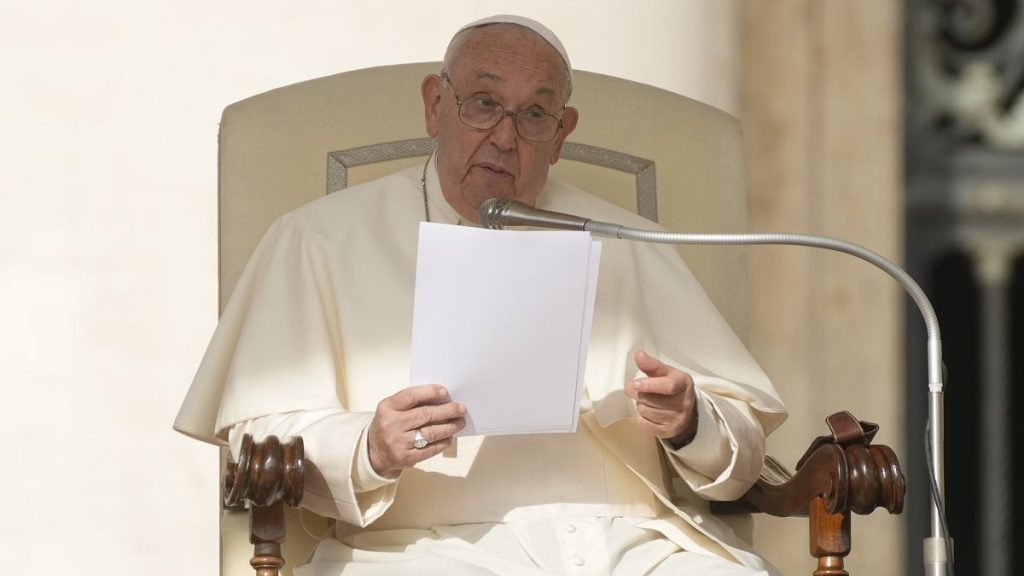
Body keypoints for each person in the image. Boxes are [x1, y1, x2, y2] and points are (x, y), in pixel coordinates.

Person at [175, 14, 787, 576]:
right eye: (483, 104)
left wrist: (689, 421)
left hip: (630, 544)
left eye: (533, 115)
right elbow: (262, 439)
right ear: (435, 104)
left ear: (562, 132)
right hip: (421, 548)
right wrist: (370, 445)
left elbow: (741, 446)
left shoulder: (627, 239)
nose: (504, 136)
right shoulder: (317, 238)